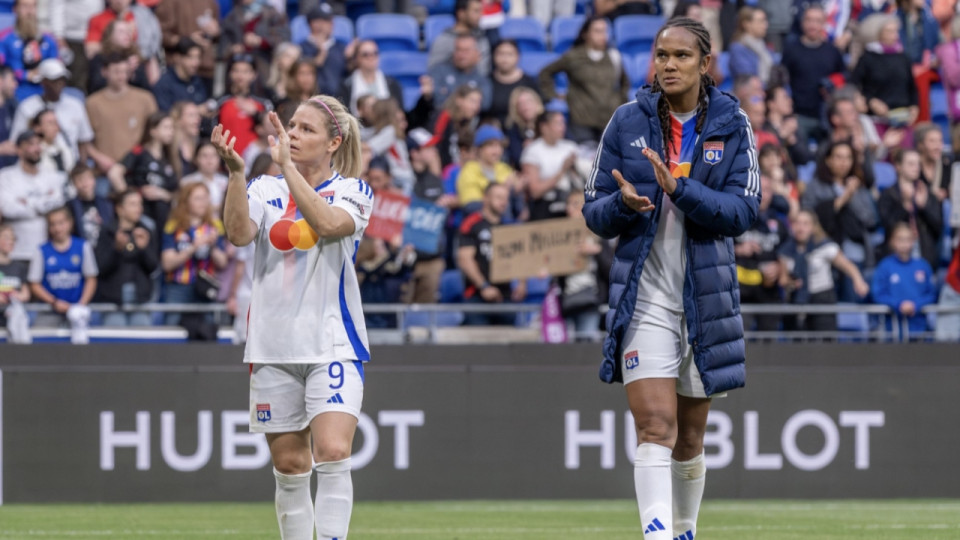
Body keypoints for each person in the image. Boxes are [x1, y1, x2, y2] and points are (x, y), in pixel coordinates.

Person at [581, 18, 759, 540]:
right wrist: (623, 205)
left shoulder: (732, 122)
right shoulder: (625, 121)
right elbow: (592, 213)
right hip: (645, 298)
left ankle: (684, 531)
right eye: (662, 55)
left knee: (690, 439)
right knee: (655, 427)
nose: (669, 65)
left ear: (705, 65)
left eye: (681, 56)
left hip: (706, 301)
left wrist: (677, 190)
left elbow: (743, 211)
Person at [214, 94, 372, 540]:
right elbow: (239, 234)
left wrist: (286, 168)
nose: (292, 134)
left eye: (305, 129)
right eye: (291, 126)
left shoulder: (353, 190)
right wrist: (237, 174)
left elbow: (325, 223)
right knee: (289, 465)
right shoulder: (265, 187)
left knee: (334, 449)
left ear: (333, 142)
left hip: (333, 340)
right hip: (272, 344)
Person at [539, 16, 630, 144]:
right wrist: (553, 95)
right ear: (585, 34)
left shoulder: (614, 56)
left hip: (609, 120)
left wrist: (621, 102)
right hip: (581, 120)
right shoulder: (573, 56)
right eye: (597, 31)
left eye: (605, 31)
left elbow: (625, 83)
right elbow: (545, 73)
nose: (603, 35)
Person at [778, 210, 870, 331]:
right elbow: (783, 279)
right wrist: (792, 283)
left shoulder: (825, 246)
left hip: (822, 298)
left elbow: (848, 266)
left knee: (825, 344)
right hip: (797, 300)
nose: (801, 228)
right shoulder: (786, 250)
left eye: (806, 224)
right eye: (797, 223)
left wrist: (858, 281)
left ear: (813, 227)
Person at [801, 140, 879, 270]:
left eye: (848, 158)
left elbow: (870, 219)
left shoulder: (857, 186)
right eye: (839, 157)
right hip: (825, 252)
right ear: (828, 160)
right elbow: (810, 217)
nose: (844, 162)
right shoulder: (815, 186)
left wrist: (852, 196)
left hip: (857, 251)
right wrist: (844, 196)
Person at [159, 182, 228, 325]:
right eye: (197, 198)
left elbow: (222, 262)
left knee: (207, 332)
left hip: (205, 287)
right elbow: (167, 263)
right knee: (173, 331)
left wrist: (213, 246)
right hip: (178, 287)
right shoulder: (174, 226)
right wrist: (194, 247)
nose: (203, 203)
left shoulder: (215, 226)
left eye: (205, 198)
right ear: (186, 201)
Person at [27, 206, 98, 344]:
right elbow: (34, 284)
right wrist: (54, 302)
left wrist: (80, 305)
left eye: (61, 223)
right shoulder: (42, 250)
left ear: (69, 223)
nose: (57, 228)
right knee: (40, 345)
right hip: (49, 310)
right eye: (53, 224)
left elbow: (91, 278)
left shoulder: (82, 246)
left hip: (79, 312)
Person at [458, 182, 525, 325]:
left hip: (505, 297)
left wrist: (522, 283)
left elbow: (520, 257)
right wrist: (484, 286)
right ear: (486, 198)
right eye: (499, 197)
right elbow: (465, 259)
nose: (504, 202)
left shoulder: (509, 227)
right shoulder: (472, 224)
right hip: (477, 297)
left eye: (506, 198)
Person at [780, 5, 847, 145]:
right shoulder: (791, 50)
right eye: (809, 20)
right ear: (802, 22)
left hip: (827, 116)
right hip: (799, 116)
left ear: (824, 23)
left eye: (817, 20)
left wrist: (833, 82)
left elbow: (845, 76)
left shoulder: (832, 51)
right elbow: (781, 80)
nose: (813, 25)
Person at [0, 131, 67, 269]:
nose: (37, 148)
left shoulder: (51, 175)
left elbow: (58, 202)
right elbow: (8, 209)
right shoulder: (6, 176)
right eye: (31, 144)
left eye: (38, 144)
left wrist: (27, 203)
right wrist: (42, 205)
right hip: (17, 252)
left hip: (48, 250)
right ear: (19, 149)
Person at [85, 53, 159, 177]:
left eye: (125, 72)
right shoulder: (92, 103)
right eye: (116, 72)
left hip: (139, 169)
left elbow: (156, 131)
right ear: (104, 72)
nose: (121, 76)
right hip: (105, 170)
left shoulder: (145, 98)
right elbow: (85, 140)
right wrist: (99, 158)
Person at [9, 59, 94, 165]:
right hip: (38, 167)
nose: (59, 83)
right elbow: (17, 142)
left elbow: (84, 140)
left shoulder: (75, 105)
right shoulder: (27, 107)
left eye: (62, 79)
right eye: (54, 80)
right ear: (43, 81)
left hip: (71, 166)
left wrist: (81, 167)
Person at [93, 189, 158, 327]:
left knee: (143, 341)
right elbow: (100, 268)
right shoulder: (107, 232)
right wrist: (116, 249)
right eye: (133, 204)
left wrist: (144, 249)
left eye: (140, 204)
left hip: (140, 300)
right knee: (115, 342)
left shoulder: (146, 231)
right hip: (113, 301)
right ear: (120, 209)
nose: (139, 208)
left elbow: (153, 268)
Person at [108, 112, 182, 231]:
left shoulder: (171, 158)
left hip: (165, 216)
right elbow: (114, 173)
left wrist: (163, 194)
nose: (171, 132)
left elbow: (178, 193)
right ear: (153, 131)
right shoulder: (139, 152)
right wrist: (130, 199)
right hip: (143, 214)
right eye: (166, 127)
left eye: (172, 128)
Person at [878, 148, 943, 271]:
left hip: (924, 254)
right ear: (898, 166)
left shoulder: (926, 193)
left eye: (918, 163)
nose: (916, 167)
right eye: (911, 164)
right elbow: (888, 226)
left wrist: (924, 207)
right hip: (896, 257)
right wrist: (905, 206)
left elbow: (938, 227)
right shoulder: (888, 194)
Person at [852, 14, 919, 129]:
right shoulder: (868, 58)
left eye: (896, 31)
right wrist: (870, 101)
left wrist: (914, 106)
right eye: (889, 31)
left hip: (902, 117)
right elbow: (854, 84)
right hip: (876, 118)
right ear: (877, 33)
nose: (895, 35)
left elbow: (911, 86)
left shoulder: (902, 57)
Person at [872, 222, 938, 337]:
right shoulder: (885, 266)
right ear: (892, 241)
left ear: (913, 241)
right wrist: (898, 305)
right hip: (892, 331)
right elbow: (878, 294)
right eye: (900, 239)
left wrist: (916, 305)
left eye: (908, 239)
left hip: (919, 330)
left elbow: (932, 294)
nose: (904, 244)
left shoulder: (922, 265)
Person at [521, 111, 580, 221]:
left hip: (572, 203)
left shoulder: (570, 147)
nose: (562, 127)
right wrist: (562, 171)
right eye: (558, 123)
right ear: (544, 127)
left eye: (563, 123)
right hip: (546, 205)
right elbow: (535, 191)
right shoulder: (533, 151)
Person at [0, 0, 59, 102]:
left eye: (33, 6)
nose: (29, 11)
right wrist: (24, 75)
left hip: (45, 91)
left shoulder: (48, 39)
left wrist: (43, 74)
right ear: (15, 9)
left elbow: (56, 66)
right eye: (25, 6)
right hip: (15, 91)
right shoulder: (5, 38)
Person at [216, 54, 273, 158]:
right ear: (230, 73)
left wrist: (256, 114)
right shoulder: (220, 103)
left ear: (254, 74)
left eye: (246, 71)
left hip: (257, 162)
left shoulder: (264, 103)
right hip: (227, 162)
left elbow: (273, 131)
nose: (240, 76)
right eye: (236, 71)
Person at [221, 0, 291, 83]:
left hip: (265, 63)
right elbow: (224, 39)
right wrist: (232, 48)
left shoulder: (271, 14)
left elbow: (283, 38)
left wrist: (260, 41)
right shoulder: (233, 15)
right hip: (239, 64)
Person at [426, 33, 493, 111]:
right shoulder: (439, 71)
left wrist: (451, 97)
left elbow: (485, 104)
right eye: (458, 50)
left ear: (477, 54)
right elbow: (436, 99)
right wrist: (469, 101)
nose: (461, 55)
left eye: (466, 51)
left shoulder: (482, 78)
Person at [339, 40, 403, 117]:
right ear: (356, 59)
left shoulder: (392, 84)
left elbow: (399, 112)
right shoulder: (346, 86)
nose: (371, 57)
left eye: (375, 53)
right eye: (365, 54)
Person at [298, 3, 350, 97]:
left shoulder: (340, 46)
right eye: (321, 21)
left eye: (329, 21)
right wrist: (321, 53)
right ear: (311, 23)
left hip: (340, 99)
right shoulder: (302, 47)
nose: (327, 25)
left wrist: (353, 59)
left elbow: (346, 74)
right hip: (314, 99)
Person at [428, 0, 491, 77]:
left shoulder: (481, 39)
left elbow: (484, 71)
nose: (480, 15)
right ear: (461, 14)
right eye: (475, 11)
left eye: (480, 11)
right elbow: (433, 70)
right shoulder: (444, 40)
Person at [485, 40, 539, 127]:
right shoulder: (486, 82)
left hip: (523, 130)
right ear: (493, 56)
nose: (505, 58)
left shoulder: (529, 82)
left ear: (518, 56)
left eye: (510, 54)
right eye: (501, 54)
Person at [151, 38, 209, 112]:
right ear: (177, 58)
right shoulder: (163, 84)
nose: (196, 63)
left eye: (198, 57)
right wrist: (196, 112)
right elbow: (165, 116)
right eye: (190, 57)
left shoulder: (197, 81)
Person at [66, 164, 114, 248]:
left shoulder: (106, 203)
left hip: (105, 249)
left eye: (87, 178)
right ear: (73, 183)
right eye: (79, 180)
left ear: (94, 179)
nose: (84, 183)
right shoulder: (70, 206)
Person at [0, 224, 33, 343]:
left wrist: (16, 296)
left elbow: (26, 294)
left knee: (17, 311)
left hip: (14, 311)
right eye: (6, 237)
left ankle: (21, 349)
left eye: (13, 239)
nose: (11, 242)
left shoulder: (19, 267)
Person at [728, 6, 774, 86]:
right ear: (746, 24)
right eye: (761, 21)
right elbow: (747, 80)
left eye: (765, 20)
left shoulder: (765, 47)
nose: (766, 25)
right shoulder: (737, 49)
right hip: (750, 94)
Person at [503, 86, 543, 169]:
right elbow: (517, 157)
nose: (525, 107)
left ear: (537, 103)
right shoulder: (513, 129)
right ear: (515, 109)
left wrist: (533, 147)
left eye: (529, 102)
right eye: (520, 104)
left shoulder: (548, 121)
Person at [31, 109, 74, 175]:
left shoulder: (63, 144)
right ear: (37, 128)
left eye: (56, 123)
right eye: (50, 123)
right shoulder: (34, 151)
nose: (55, 127)